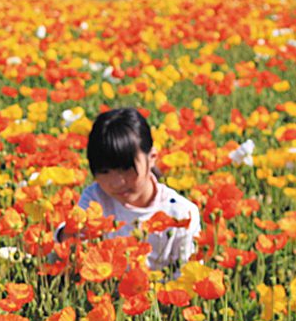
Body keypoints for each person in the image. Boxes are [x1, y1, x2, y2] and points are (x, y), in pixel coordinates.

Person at [54, 107, 201, 273]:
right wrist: (68, 233)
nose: (116, 183)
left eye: (126, 169)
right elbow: (70, 244)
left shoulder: (181, 213)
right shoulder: (96, 197)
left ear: (152, 158)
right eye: (104, 172)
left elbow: (185, 275)